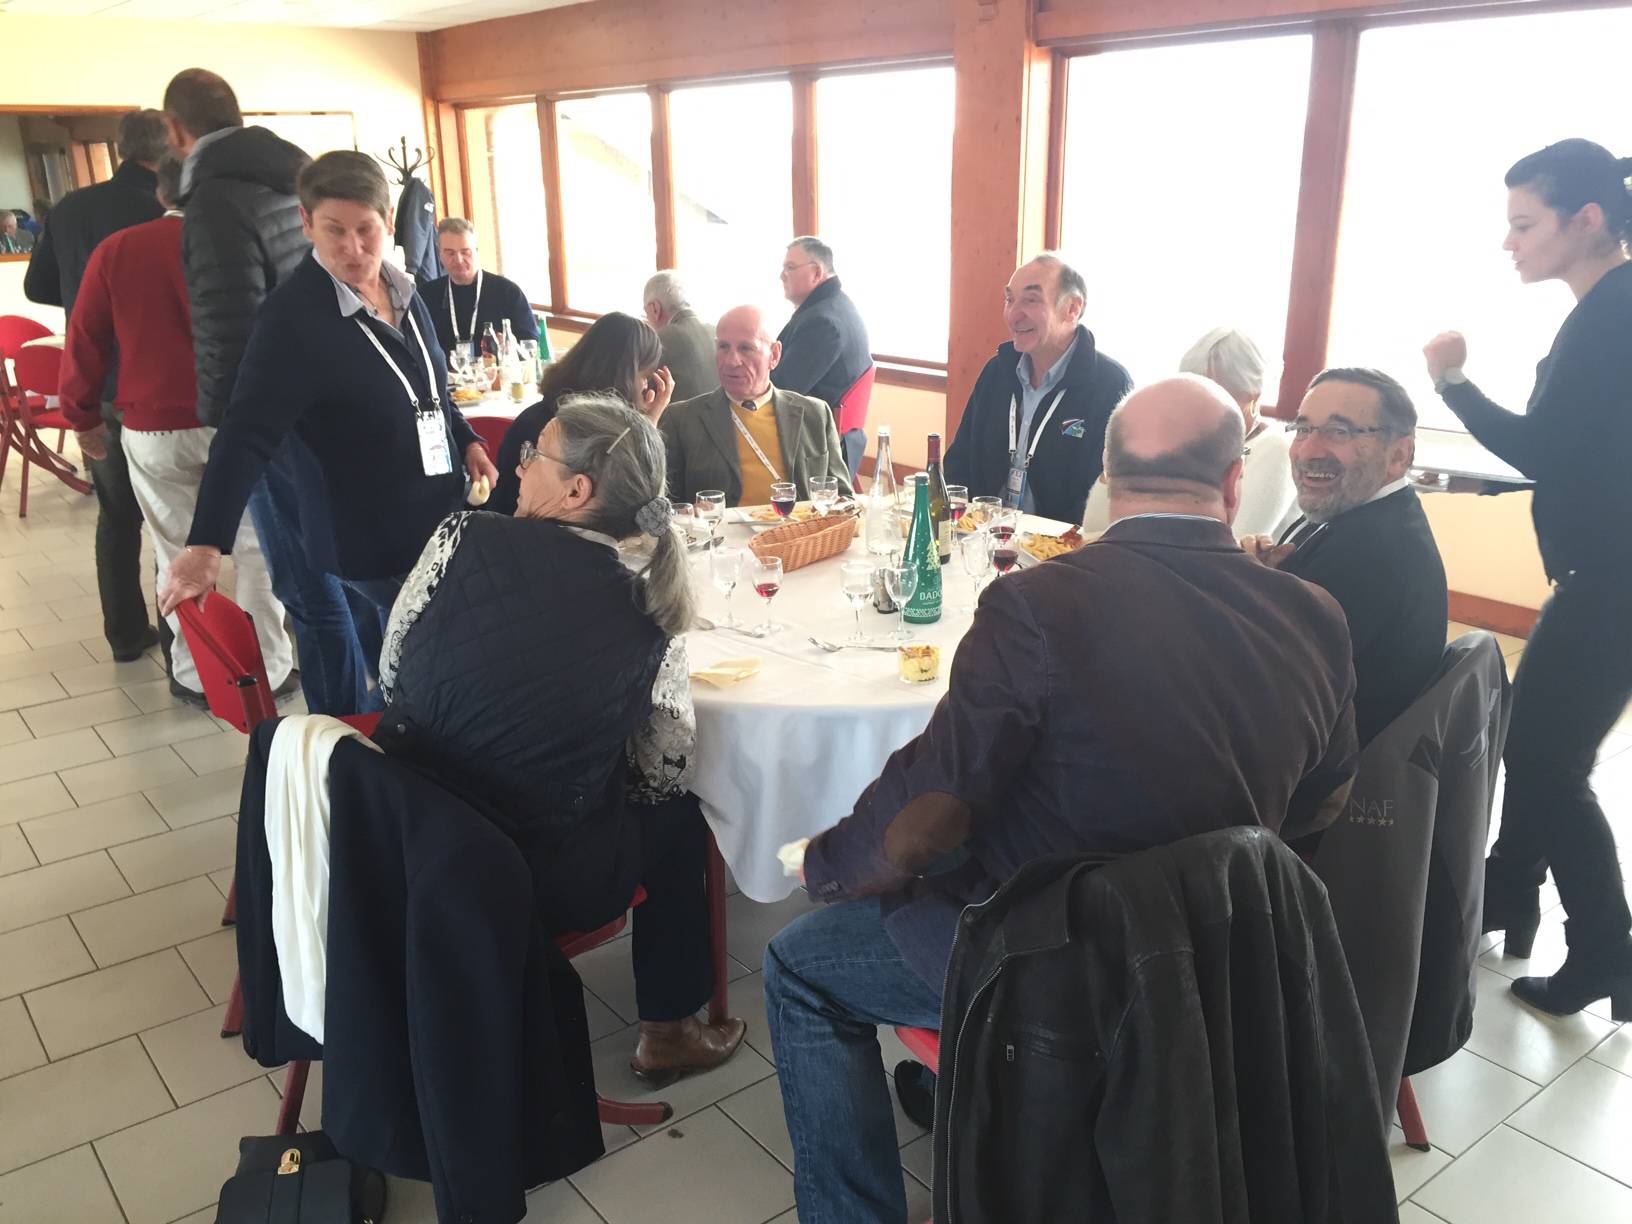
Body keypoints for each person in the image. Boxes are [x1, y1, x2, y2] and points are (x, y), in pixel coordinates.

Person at [764, 375, 1358, 1222]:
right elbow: (1323, 801)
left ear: (1108, 481)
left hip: (1052, 969)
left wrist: (823, 865)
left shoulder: (1037, 605)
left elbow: (925, 822)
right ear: (1233, 484)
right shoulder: (1316, 613)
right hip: (1222, 960)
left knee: (798, 966)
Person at [377, 394, 747, 1080]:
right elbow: (662, 770)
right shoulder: (649, 606)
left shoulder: (460, 536)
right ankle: (668, 1029)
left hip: (396, 828)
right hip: (525, 875)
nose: (519, 468)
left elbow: (392, 672)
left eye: (533, 456)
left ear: (578, 490)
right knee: (679, 815)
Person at [1422, 138, 1632, 1019]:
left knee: (1544, 758)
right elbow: (1594, 451)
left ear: (1587, 220)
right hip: (1605, 570)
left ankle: (1606, 952)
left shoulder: (1612, 312)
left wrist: (1452, 382)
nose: (1509, 242)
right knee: (1546, 747)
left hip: (1611, 582)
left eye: (1524, 223)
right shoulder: (1606, 308)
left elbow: (1546, 444)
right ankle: (1510, 895)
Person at [159, 152, 496, 689]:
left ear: (389, 222)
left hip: (432, 520)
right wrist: (205, 544)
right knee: (450, 654)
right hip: (369, 539)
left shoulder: (405, 291)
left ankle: (392, 728)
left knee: (406, 666)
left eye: (366, 230)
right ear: (306, 223)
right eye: (335, 230)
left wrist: (467, 438)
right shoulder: (292, 318)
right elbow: (245, 434)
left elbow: (431, 389)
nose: (353, 249)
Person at [164, 67, 371, 716]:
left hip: (278, 427)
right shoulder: (294, 180)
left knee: (310, 594)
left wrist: (234, 447)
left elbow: (230, 344)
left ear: (176, 131)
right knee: (349, 581)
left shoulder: (215, 203)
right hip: (336, 409)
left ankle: (338, 742)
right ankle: (373, 721)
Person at [58, 156, 293, 707]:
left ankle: (195, 675)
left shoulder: (117, 249)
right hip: (240, 421)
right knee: (258, 550)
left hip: (154, 424)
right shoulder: (244, 239)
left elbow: (85, 337)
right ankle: (271, 669)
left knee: (175, 552)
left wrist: (81, 415)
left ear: (161, 194)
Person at [23, 108, 167, 666]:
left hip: (95, 383)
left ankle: (125, 635)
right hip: (153, 385)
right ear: (168, 152)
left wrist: (83, 296)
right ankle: (182, 644)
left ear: (121, 149)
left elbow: (38, 286)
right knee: (171, 518)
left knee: (117, 514)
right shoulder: (164, 212)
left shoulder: (70, 207)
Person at [1243, 368, 1447, 749]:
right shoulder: (1372, 516)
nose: (1308, 451)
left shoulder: (1371, 555)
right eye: (1303, 429)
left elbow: (1264, 690)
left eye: (1339, 432)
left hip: (1323, 768)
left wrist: (1240, 591)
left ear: (1399, 455)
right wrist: (1266, 581)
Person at [944, 252, 1132, 524]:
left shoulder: (1110, 385)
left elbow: (1105, 492)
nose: (1014, 315)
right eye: (1010, 300)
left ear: (1072, 308)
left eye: (1031, 300)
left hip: (1060, 543)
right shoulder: (997, 372)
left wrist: (1043, 541)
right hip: (982, 535)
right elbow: (959, 461)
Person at [1082, 326, 1296, 539]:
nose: (1196, 408)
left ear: (1254, 396)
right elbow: (1092, 527)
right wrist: (1116, 463)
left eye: (1218, 396)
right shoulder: (1184, 438)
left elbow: (1227, 542)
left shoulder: (1275, 450)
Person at [661, 304, 854, 507]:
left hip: (796, 527)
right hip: (720, 527)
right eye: (723, 347)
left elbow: (844, 496)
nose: (731, 361)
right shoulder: (682, 419)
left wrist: (841, 506)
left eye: (745, 348)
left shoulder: (815, 414)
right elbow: (667, 505)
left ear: (774, 355)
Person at [488, 311, 674, 517]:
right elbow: (627, 503)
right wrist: (645, 426)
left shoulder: (544, 410)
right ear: (624, 375)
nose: (645, 386)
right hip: (524, 526)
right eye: (643, 376)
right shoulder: (567, 429)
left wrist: (643, 424)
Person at [775, 236, 872, 478]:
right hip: (830, 433)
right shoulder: (835, 304)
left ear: (816, 272)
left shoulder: (822, 322)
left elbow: (781, 391)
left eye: (790, 267)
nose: (782, 275)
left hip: (814, 443)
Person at [423, 217, 540, 357]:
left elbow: (531, 346)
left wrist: (512, 347)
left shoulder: (508, 292)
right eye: (450, 253)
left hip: (496, 370)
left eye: (465, 252)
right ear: (439, 254)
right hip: (447, 371)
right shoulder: (426, 295)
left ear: (477, 251)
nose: (458, 260)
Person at [641, 269, 716, 402]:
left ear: (655, 309)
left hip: (681, 415)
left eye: (646, 312)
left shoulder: (657, 343)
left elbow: (643, 397)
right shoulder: (718, 332)